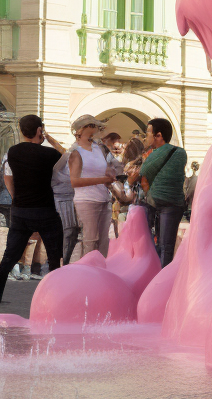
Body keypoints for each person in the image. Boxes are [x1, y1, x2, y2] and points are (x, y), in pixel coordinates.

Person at [0, 115, 66, 304]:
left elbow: (8, 178)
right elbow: (68, 156)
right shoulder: (50, 155)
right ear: (39, 131)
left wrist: (16, 199)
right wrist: (51, 139)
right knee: (54, 258)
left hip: (21, 211)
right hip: (45, 210)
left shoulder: (12, 152)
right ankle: (56, 300)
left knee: (9, 258)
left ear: (22, 131)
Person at [127, 118, 186, 268]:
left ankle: (157, 277)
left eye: (148, 132)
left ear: (158, 135)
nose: (146, 136)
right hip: (175, 203)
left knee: (157, 244)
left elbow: (144, 172)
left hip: (159, 202)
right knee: (167, 244)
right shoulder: (180, 153)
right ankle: (162, 276)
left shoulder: (155, 154)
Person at [68, 115, 117, 256]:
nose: (97, 129)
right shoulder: (76, 151)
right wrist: (102, 179)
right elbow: (74, 181)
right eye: (94, 126)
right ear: (85, 128)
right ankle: (88, 272)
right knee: (90, 239)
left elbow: (103, 169)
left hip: (103, 198)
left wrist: (109, 174)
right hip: (86, 200)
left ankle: (100, 271)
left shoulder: (97, 148)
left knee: (103, 241)